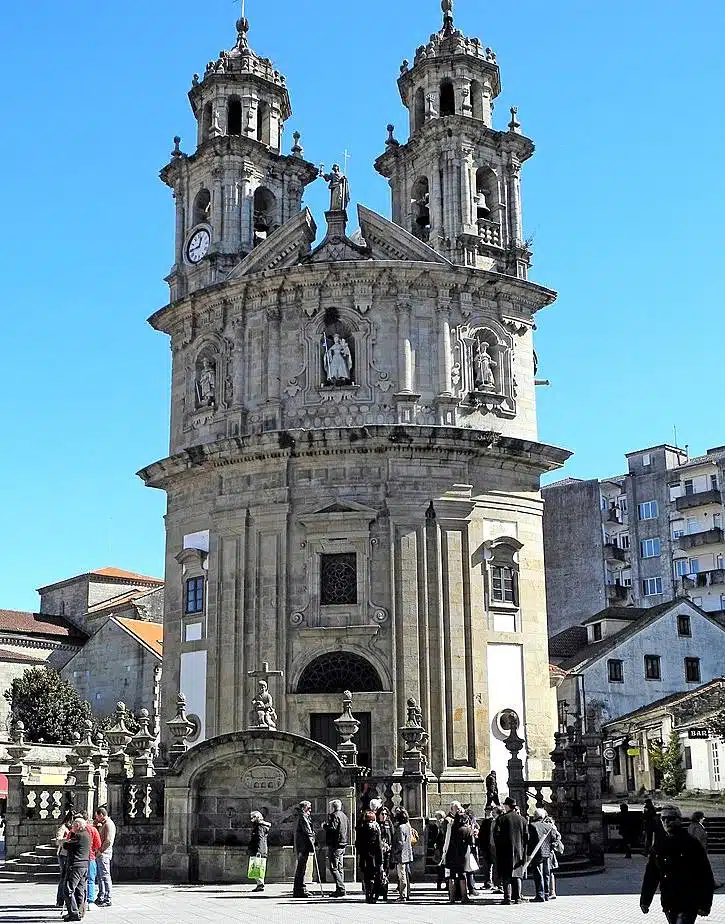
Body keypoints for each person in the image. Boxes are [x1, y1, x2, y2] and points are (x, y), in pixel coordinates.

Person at [640, 804, 715, 924]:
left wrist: (705, 904)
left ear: (679, 820)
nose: (666, 822)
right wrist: (645, 900)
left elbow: (705, 874)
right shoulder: (660, 845)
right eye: (663, 819)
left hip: (688, 901)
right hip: (669, 902)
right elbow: (651, 874)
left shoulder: (691, 843)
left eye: (670, 818)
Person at [493, 797, 528, 905]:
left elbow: (496, 836)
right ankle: (517, 897)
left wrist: (498, 847)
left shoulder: (501, 819)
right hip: (519, 851)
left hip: (504, 851)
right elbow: (527, 837)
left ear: (507, 806)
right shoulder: (522, 819)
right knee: (517, 874)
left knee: (506, 875)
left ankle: (507, 898)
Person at [442, 806, 474, 904]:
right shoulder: (467, 830)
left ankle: (451, 898)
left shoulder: (450, 827)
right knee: (462, 876)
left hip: (450, 855)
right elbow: (471, 843)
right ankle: (464, 897)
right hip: (462, 855)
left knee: (451, 876)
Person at [64, 815, 92, 922]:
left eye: (73, 825)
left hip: (76, 866)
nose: (72, 827)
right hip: (84, 865)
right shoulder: (87, 835)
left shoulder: (79, 836)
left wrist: (66, 841)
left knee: (68, 889)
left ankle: (74, 913)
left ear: (77, 825)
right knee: (80, 890)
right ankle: (79, 912)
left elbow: (67, 845)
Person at [527, 807, 557, 902]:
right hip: (547, 853)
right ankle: (547, 894)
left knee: (538, 874)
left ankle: (540, 895)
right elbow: (554, 838)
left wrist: (528, 854)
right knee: (546, 874)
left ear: (535, 816)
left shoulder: (532, 826)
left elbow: (529, 841)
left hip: (536, 853)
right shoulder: (549, 826)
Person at [323, 799, 349, 898]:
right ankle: (340, 888)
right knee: (340, 867)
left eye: (330, 807)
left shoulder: (334, 815)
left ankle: (341, 888)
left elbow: (332, 828)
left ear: (333, 807)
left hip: (335, 844)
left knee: (333, 866)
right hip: (343, 843)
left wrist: (325, 826)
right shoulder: (344, 815)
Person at [357, 810, 384, 903]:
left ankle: (368, 894)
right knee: (376, 876)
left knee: (367, 877)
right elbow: (379, 845)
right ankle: (374, 895)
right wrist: (381, 858)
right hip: (375, 857)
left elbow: (358, 843)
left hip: (365, 857)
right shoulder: (376, 828)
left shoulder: (361, 828)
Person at [93, 806, 116, 908]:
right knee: (100, 876)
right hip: (101, 853)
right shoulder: (103, 824)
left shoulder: (108, 824)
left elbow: (108, 840)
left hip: (104, 854)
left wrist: (100, 851)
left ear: (101, 815)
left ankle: (108, 897)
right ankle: (101, 895)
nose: (96, 818)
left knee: (105, 875)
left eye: (97, 816)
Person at [293, 801, 315, 898]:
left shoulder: (301, 816)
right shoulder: (302, 817)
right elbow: (308, 832)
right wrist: (313, 841)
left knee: (301, 868)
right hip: (303, 846)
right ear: (304, 808)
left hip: (301, 845)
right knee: (301, 868)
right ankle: (300, 889)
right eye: (309, 808)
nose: (310, 809)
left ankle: (300, 888)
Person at [392, 808, 414, 902]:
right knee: (405, 875)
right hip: (407, 853)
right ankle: (407, 893)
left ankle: (403, 895)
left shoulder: (401, 827)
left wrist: (395, 850)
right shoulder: (407, 826)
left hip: (401, 855)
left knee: (402, 875)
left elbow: (400, 842)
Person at [248, 811, 271, 892]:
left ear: (257, 818)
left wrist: (258, 851)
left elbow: (260, 839)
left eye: (253, 817)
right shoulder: (261, 826)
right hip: (262, 850)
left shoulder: (259, 827)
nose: (251, 819)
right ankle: (260, 884)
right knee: (259, 867)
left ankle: (260, 884)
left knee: (257, 867)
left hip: (258, 850)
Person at [55, 812, 73, 909]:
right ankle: (60, 900)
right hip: (63, 854)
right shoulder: (63, 828)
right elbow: (58, 840)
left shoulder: (73, 828)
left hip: (69, 854)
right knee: (63, 877)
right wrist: (68, 840)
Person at [477, 809, 495, 889]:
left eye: (491, 811)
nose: (490, 813)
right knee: (487, 866)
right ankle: (488, 882)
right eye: (487, 811)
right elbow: (481, 835)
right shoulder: (486, 822)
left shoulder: (500, 821)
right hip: (486, 847)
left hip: (495, 847)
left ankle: (497, 883)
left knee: (495, 866)